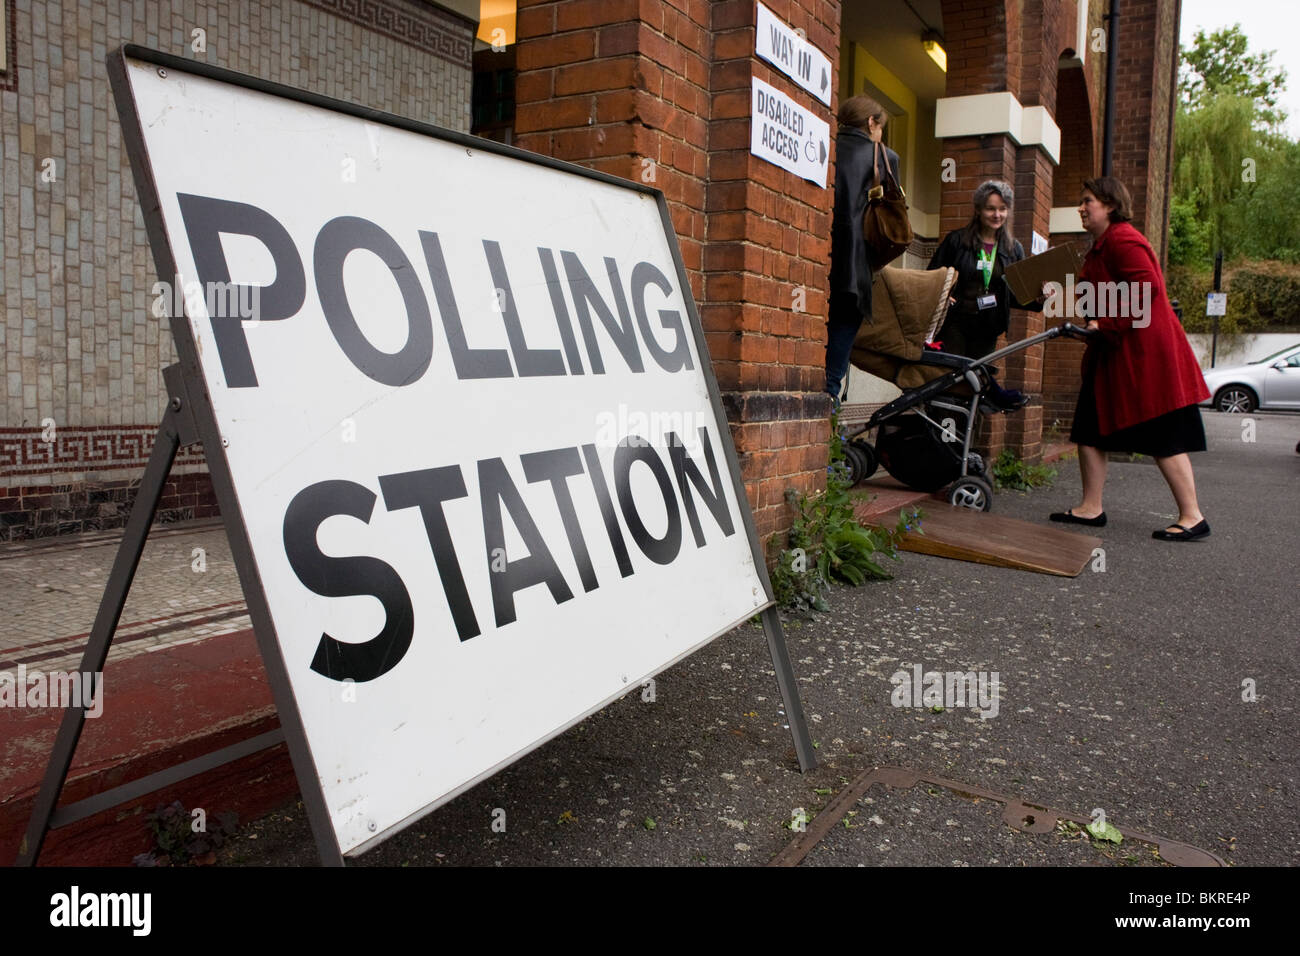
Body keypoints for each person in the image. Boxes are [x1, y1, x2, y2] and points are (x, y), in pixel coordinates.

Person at [1050, 176, 1212, 541]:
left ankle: (1192, 516)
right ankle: (1091, 508)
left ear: (1109, 205)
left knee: (1164, 436)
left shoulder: (1124, 240)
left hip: (1147, 361)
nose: (1081, 207)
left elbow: (1146, 289)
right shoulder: (1100, 247)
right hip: (1112, 356)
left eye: (1087, 201)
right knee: (1088, 430)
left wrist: (1102, 320)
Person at [928, 181, 1043, 409]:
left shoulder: (1013, 249)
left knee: (976, 383)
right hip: (955, 322)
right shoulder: (957, 241)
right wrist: (944, 292)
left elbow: (1018, 294)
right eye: (991, 208)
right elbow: (933, 275)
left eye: (1002, 209)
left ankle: (967, 438)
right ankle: (944, 432)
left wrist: (1040, 297)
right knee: (953, 378)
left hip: (988, 326)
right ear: (979, 210)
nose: (996, 214)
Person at [826, 95, 901, 405]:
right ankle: (827, 420)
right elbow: (896, 214)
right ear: (872, 123)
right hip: (855, 267)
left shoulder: (826, 145)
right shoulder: (884, 157)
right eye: (880, 126)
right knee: (835, 362)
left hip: (820, 257)